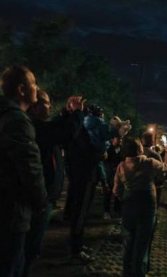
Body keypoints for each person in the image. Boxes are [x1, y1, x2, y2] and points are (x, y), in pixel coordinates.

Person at [0, 65, 47, 276]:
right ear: (22, 89)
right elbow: (30, 168)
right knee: (9, 266)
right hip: (11, 212)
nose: (37, 88)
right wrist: (41, 202)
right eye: (33, 83)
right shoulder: (17, 121)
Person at [23, 91, 84, 277]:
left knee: (29, 247)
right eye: (47, 103)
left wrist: (66, 114)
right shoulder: (35, 127)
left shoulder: (37, 126)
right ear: (35, 106)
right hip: (40, 196)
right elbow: (65, 133)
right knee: (29, 248)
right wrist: (77, 113)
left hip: (43, 194)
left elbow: (56, 128)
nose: (50, 107)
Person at [113, 138, 167, 277]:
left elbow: (116, 190)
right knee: (142, 242)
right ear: (139, 149)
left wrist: (124, 198)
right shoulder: (149, 163)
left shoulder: (121, 166)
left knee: (128, 241)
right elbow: (164, 170)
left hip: (128, 204)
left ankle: (126, 272)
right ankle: (138, 272)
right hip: (146, 204)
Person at [66, 103, 109, 263]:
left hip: (83, 175)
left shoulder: (83, 131)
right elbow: (88, 155)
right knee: (80, 212)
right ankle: (75, 250)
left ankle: (78, 244)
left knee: (81, 212)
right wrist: (100, 154)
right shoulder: (83, 133)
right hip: (84, 176)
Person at [103, 134, 122, 219]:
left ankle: (116, 211)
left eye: (120, 139)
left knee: (118, 193)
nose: (119, 141)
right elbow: (106, 160)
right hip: (110, 173)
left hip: (118, 174)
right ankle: (106, 211)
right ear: (113, 139)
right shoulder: (108, 149)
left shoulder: (121, 149)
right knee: (108, 193)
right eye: (117, 139)